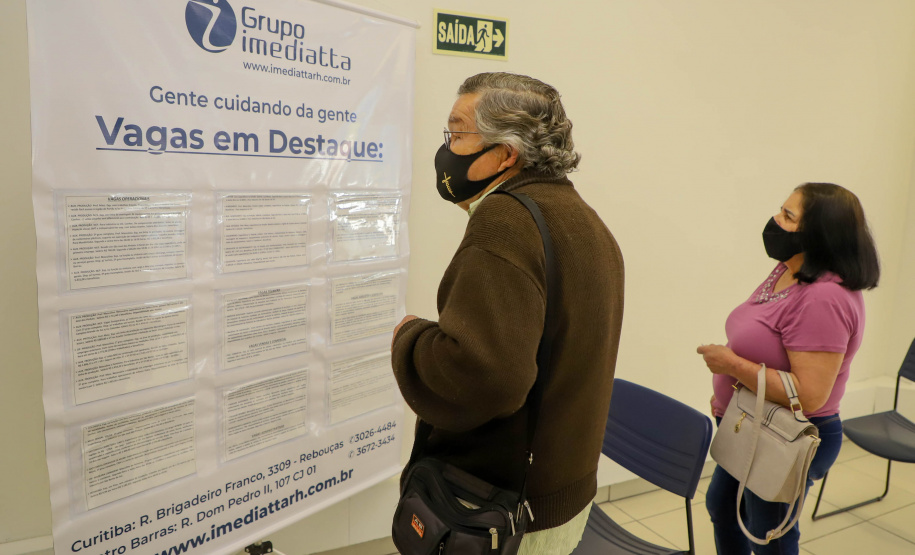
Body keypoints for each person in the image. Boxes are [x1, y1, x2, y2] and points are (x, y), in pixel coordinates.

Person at [391, 72, 624, 554]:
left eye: (457, 134)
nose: (447, 149)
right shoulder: (582, 217)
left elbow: (485, 376)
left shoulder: (506, 220)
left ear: (505, 154)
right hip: (559, 495)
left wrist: (411, 338)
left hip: (499, 511)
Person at [698, 182, 880, 554]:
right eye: (780, 210)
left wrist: (730, 364)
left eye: (788, 216)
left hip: (785, 436)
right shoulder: (789, 269)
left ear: (818, 233)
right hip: (752, 421)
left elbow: (809, 395)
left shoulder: (824, 298)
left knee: (768, 536)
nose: (775, 221)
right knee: (723, 508)